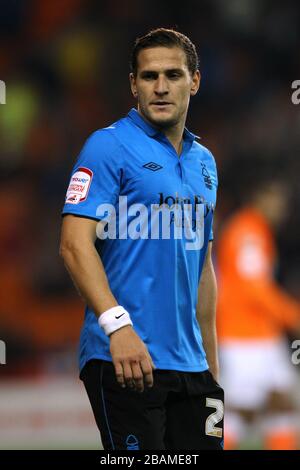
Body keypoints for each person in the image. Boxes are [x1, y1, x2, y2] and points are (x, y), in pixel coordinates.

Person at [60, 28, 224, 450]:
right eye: (149, 76)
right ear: (134, 84)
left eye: (173, 74)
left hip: (192, 368)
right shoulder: (107, 147)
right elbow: (74, 245)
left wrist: (212, 368)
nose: (162, 87)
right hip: (126, 358)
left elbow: (202, 270)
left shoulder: (205, 163)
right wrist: (118, 328)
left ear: (196, 81)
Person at [216, 175, 300, 450]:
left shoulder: (257, 231)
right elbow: (254, 289)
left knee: (283, 406)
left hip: (263, 336)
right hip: (244, 339)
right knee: (239, 412)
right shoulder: (247, 233)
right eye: (276, 200)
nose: (281, 208)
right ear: (260, 199)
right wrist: (292, 315)